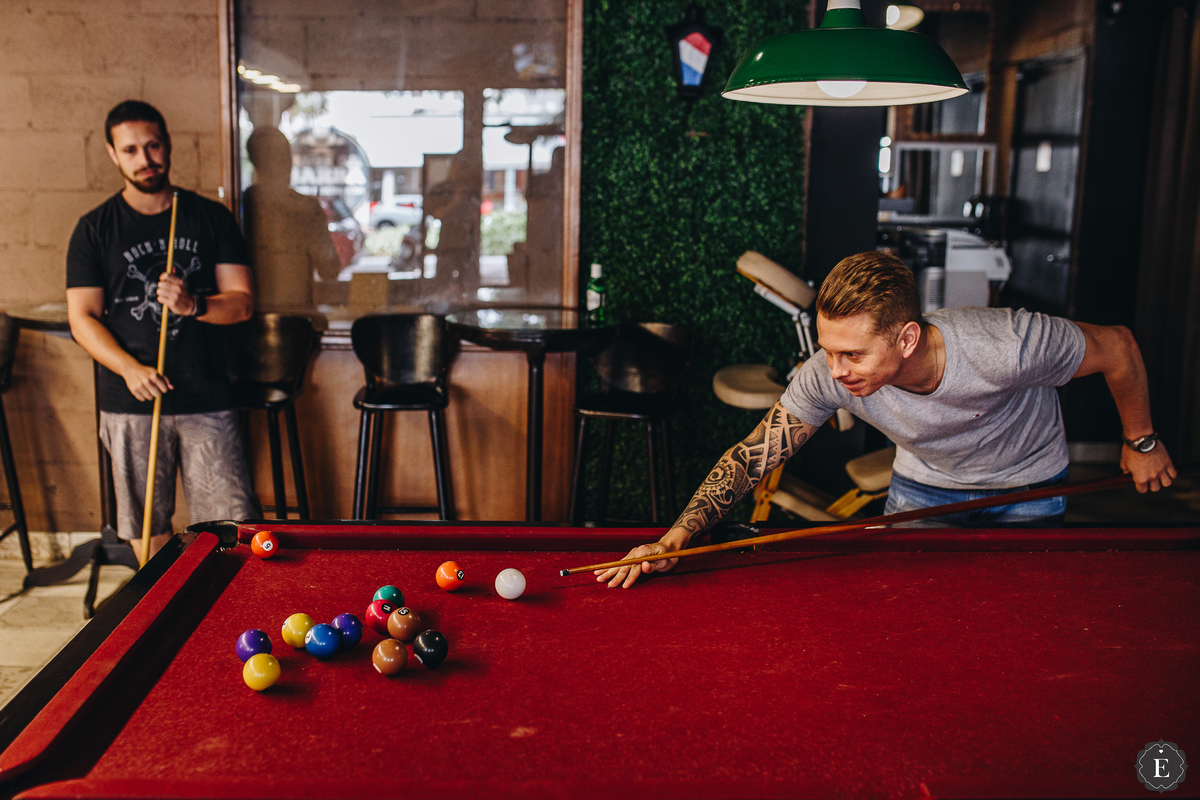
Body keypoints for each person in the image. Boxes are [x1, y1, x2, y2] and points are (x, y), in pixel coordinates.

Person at [598, 251, 1178, 588]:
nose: (835, 369)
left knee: (1016, 616)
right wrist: (680, 532)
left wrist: (1142, 440)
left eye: (853, 354)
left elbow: (1118, 348)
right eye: (828, 349)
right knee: (909, 611)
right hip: (925, 488)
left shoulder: (1007, 343)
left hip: (1027, 484)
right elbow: (752, 455)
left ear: (906, 338)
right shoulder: (829, 374)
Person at [66, 100, 260, 559]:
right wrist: (130, 369)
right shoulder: (94, 229)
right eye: (130, 149)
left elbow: (243, 304)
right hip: (131, 401)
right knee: (147, 531)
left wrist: (193, 304)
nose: (144, 159)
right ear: (114, 155)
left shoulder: (209, 218)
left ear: (167, 146)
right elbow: (82, 318)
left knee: (231, 529)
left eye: (152, 146)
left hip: (206, 394)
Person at [242, 126, 342, 311]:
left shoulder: (240, 206)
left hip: (253, 319)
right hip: (296, 319)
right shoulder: (306, 209)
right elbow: (330, 269)